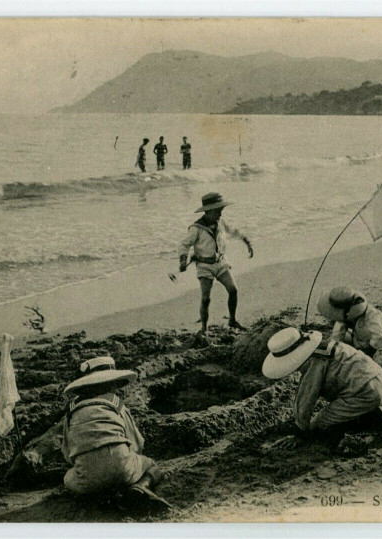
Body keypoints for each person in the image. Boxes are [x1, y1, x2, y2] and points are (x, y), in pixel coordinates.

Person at [262, 327, 382, 449]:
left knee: (318, 425)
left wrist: (300, 432)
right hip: (378, 381)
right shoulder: (325, 346)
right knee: (344, 409)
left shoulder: (314, 362)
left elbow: (307, 396)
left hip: (364, 393)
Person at [61, 356, 170, 510]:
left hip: (88, 476)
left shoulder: (71, 411)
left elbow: (67, 453)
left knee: (68, 478)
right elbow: (137, 444)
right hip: (121, 468)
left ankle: (103, 494)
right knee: (151, 466)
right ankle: (140, 486)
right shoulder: (116, 404)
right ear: (112, 383)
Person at [178, 192, 253, 334]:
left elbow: (233, 231)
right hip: (204, 266)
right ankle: (204, 328)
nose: (219, 214)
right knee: (206, 299)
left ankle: (232, 320)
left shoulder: (220, 222)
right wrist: (183, 260)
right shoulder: (196, 228)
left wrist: (246, 241)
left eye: (221, 211)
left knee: (233, 290)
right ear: (207, 211)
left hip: (220, 262)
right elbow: (184, 244)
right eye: (217, 211)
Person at [317, 286, 382, 358]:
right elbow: (337, 335)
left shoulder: (372, 315)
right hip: (355, 337)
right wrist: (333, 350)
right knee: (338, 343)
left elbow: (379, 337)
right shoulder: (343, 316)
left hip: (369, 342)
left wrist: (368, 353)